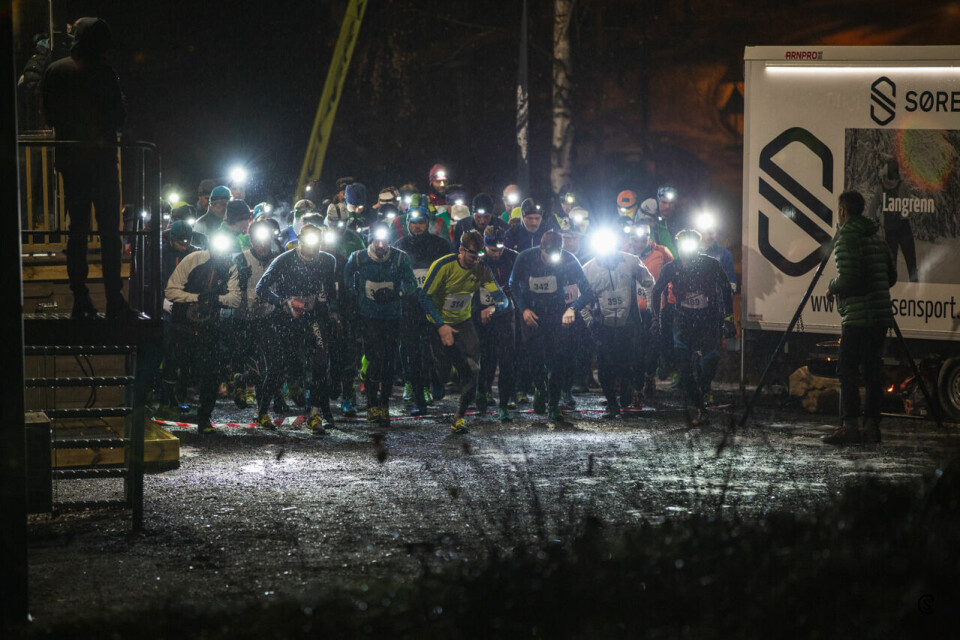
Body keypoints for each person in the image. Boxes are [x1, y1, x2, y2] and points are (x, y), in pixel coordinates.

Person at [41, 17, 134, 319]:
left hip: (72, 164)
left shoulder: (56, 71)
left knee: (76, 231)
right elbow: (118, 117)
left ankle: (80, 299)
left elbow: (49, 115)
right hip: (104, 163)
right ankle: (114, 300)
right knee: (110, 232)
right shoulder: (106, 73)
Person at [822, 191, 896, 445]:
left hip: (856, 318)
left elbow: (849, 278)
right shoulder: (877, 238)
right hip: (880, 317)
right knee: (873, 373)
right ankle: (873, 427)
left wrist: (831, 286)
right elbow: (892, 276)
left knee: (847, 371)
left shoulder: (846, 240)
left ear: (842, 211)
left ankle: (849, 427)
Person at [420, 229, 509, 434]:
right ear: (461, 250)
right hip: (438, 323)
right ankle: (436, 378)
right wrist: (441, 325)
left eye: (479, 255)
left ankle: (459, 417)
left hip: (464, 323)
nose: (476, 260)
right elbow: (424, 297)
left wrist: (493, 307)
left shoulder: (481, 268)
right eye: (472, 255)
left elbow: (503, 299)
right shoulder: (443, 266)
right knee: (443, 374)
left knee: (473, 371)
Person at [255, 223, 339, 434]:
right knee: (277, 367)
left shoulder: (328, 261)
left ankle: (316, 414)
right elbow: (261, 287)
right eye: (308, 243)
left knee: (321, 363)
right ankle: (263, 411)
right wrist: (282, 302)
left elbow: (330, 292)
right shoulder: (284, 260)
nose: (312, 249)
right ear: (299, 242)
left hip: (313, 317)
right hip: (286, 319)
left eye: (316, 244)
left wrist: (333, 313)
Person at [510, 231, 596, 424]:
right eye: (549, 255)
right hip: (532, 315)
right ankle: (540, 387)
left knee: (558, 360)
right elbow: (513, 284)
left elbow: (588, 292)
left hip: (557, 315)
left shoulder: (569, 260)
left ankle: (554, 403)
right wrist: (523, 309)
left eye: (556, 256)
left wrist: (572, 309)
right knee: (535, 358)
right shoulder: (525, 258)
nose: (552, 260)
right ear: (541, 249)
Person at [651, 230, 734, 425]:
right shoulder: (672, 267)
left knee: (710, 364)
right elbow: (656, 292)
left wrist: (728, 318)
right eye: (682, 245)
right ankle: (700, 409)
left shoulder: (711, 264)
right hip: (683, 320)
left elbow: (725, 289)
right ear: (678, 246)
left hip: (707, 320)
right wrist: (657, 319)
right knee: (684, 369)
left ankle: (704, 387)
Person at [163, 231, 241, 433]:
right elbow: (170, 291)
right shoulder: (193, 259)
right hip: (183, 324)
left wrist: (214, 300)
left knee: (211, 372)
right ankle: (170, 404)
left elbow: (235, 299)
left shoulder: (231, 266)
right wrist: (196, 297)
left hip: (210, 327)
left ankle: (204, 417)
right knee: (179, 365)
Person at [344, 223, 417, 425]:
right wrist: (352, 295)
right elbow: (346, 276)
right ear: (371, 241)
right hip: (369, 317)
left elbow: (412, 283)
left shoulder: (400, 258)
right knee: (374, 359)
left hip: (393, 316)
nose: (380, 245)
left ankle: (384, 405)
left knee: (389, 362)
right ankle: (371, 405)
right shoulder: (358, 257)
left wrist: (398, 293)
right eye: (376, 241)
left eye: (384, 241)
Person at [582, 232, 655, 418]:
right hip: (603, 325)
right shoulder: (588, 269)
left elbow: (649, 282)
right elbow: (581, 299)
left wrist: (651, 309)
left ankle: (626, 393)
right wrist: (589, 320)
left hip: (629, 323)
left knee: (629, 362)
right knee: (605, 366)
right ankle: (612, 404)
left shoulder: (631, 261)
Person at [393, 206, 453, 412]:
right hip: (409, 305)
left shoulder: (440, 245)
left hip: (433, 305)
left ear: (427, 224)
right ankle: (413, 384)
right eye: (413, 223)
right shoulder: (400, 246)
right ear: (407, 223)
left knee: (433, 348)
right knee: (409, 347)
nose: (417, 227)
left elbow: (451, 271)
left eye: (421, 223)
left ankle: (433, 381)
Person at [231, 218, 283, 411]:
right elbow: (228, 286)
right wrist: (239, 282)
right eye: (258, 240)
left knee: (271, 361)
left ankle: (268, 403)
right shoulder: (241, 259)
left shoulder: (278, 259)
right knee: (243, 356)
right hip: (243, 317)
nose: (262, 245)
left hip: (267, 317)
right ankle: (240, 383)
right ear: (251, 240)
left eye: (266, 240)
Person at [623, 221, 673, 400]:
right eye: (635, 239)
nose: (638, 243)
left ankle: (649, 375)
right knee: (634, 349)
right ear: (630, 239)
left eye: (642, 239)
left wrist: (671, 299)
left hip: (655, 308)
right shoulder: (623, 252)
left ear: (648, 238)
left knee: (653, 349)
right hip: (632, 310)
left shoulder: (662, 252)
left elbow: (673, 274)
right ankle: (636, 385)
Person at [475, 227, 519, 421]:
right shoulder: (477, 260)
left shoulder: (513, 258)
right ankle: (482, 392)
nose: (497, 253)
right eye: (492, 249)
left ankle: (504, 403)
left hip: (506, 314)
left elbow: (518, 286)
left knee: (507, 359)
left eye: (500, 248)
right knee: (486, 358)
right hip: (480, 315)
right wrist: (478, 309)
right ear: (484, 245)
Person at [870, 156, 919, 282]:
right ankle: (915, 289)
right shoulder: (903, 186)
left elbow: (872, 208)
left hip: (889, 228)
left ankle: (892, 290)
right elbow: (910, 207)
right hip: (904, 226)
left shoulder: (881, 188)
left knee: (891, 264)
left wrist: (876, 220)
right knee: (911, 261)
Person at [695, 213, 737, 292]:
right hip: (696, 300)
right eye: (704, 233)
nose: (708, 237)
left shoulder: (725, 254)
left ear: (716, 233)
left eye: (711, 233)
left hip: (717, 300)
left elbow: (732, 283)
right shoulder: (692, 254)